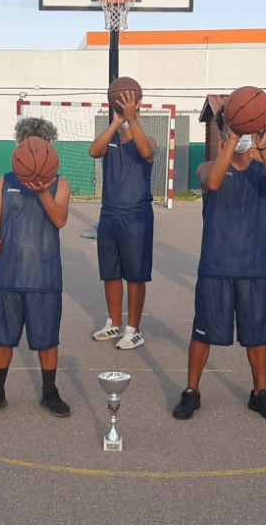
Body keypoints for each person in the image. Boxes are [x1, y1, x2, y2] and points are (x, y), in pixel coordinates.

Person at [172, 109, 266, 421]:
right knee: (203, 332)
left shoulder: (261, 170)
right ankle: (191, 391)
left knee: (257, 335)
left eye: (247, 130)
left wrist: (264, 147)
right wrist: (230, 139)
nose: (243, 136)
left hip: (254, 267)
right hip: (216, 266)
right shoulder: (208, 166)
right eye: (235, 130)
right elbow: (211, 183)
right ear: (222, 133)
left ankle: (260, 393)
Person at [0, 117, 72, 418]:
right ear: (19, 148)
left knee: (47, 339)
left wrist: (42, 191)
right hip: (8, 273)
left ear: (50, 148)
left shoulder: (60, 184)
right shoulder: (2, 183)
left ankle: (49, 392)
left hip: (44, 275)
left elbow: (60, 220)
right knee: (2, 337)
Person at [88, 88, 157, 349]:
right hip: (109, 214)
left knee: (136, 276)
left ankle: (134, 329)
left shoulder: (147, 138)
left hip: (136, 216)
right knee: (111, 273)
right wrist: (117, 121)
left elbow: (146, 152)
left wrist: (132, 120)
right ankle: (114, 323)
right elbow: (94, 151)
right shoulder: (111, 140)